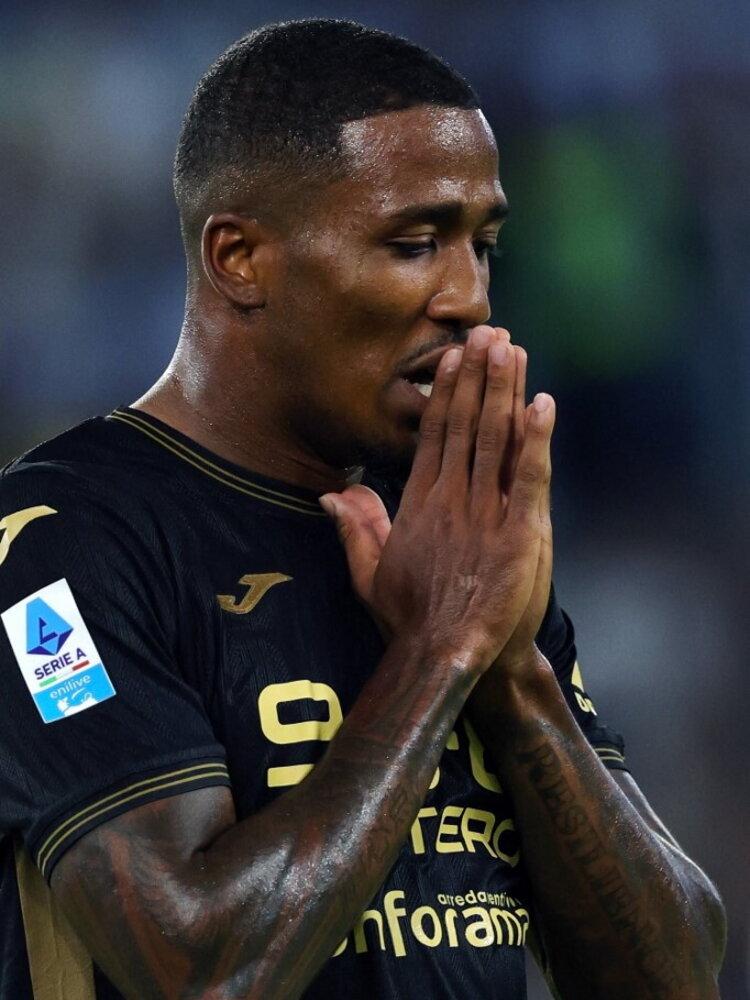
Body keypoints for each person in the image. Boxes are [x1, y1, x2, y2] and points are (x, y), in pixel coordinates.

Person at [0, 19, 725, 1000]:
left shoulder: (456, 533)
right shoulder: (59, 544)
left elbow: (676, 978)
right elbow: (205, 974)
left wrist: (514, 674)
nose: (470, 297)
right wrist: (438, 655)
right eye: (415, 243)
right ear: (240, 259)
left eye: (483, 245)